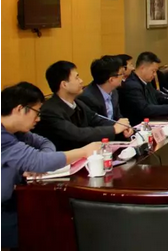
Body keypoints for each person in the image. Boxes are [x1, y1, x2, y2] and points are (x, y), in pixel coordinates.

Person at [1, 82, 101, 250]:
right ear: (20, 109)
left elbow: (45, 143)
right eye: (36, 112)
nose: (38, 118)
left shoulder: (17, 131)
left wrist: (37, 160)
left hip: (14, 199)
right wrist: (83, 151)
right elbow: (41, 162)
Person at [33, 61, 132, 151]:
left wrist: (122, 127)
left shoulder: (78, 103)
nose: (81, 81)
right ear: (64, 84)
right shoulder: (50, 111)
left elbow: (96, 119)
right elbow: (77, 134)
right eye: (76, 77)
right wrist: (113, 129)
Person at [118, 52, 168, 125]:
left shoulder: (146, 80)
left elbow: (158, 96)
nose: (155, 74)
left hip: (152, 120)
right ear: (143, 68)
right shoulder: (132, 85)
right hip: (139, 125)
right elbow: (145, 109)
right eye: (153, 71)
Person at [78, 56, 125, 120]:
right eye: (121, 74)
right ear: (111, 79)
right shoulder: (87, 98)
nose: (123, 76)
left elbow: (117, 116)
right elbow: (96, 123)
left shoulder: (114, 91)